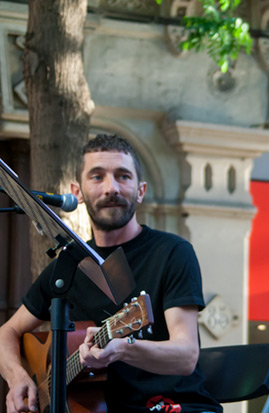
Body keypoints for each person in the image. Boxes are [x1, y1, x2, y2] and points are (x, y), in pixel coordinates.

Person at [0, 134, 221, 413]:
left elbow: (186, 356)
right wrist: (17, 377)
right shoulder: (69, 264)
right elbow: (6, 332)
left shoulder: (172, 253)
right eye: (97, 176)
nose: (111, 188)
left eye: (123, 176)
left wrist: (122, 350)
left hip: (168, 406)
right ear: (76, 192)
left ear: (140, 191)